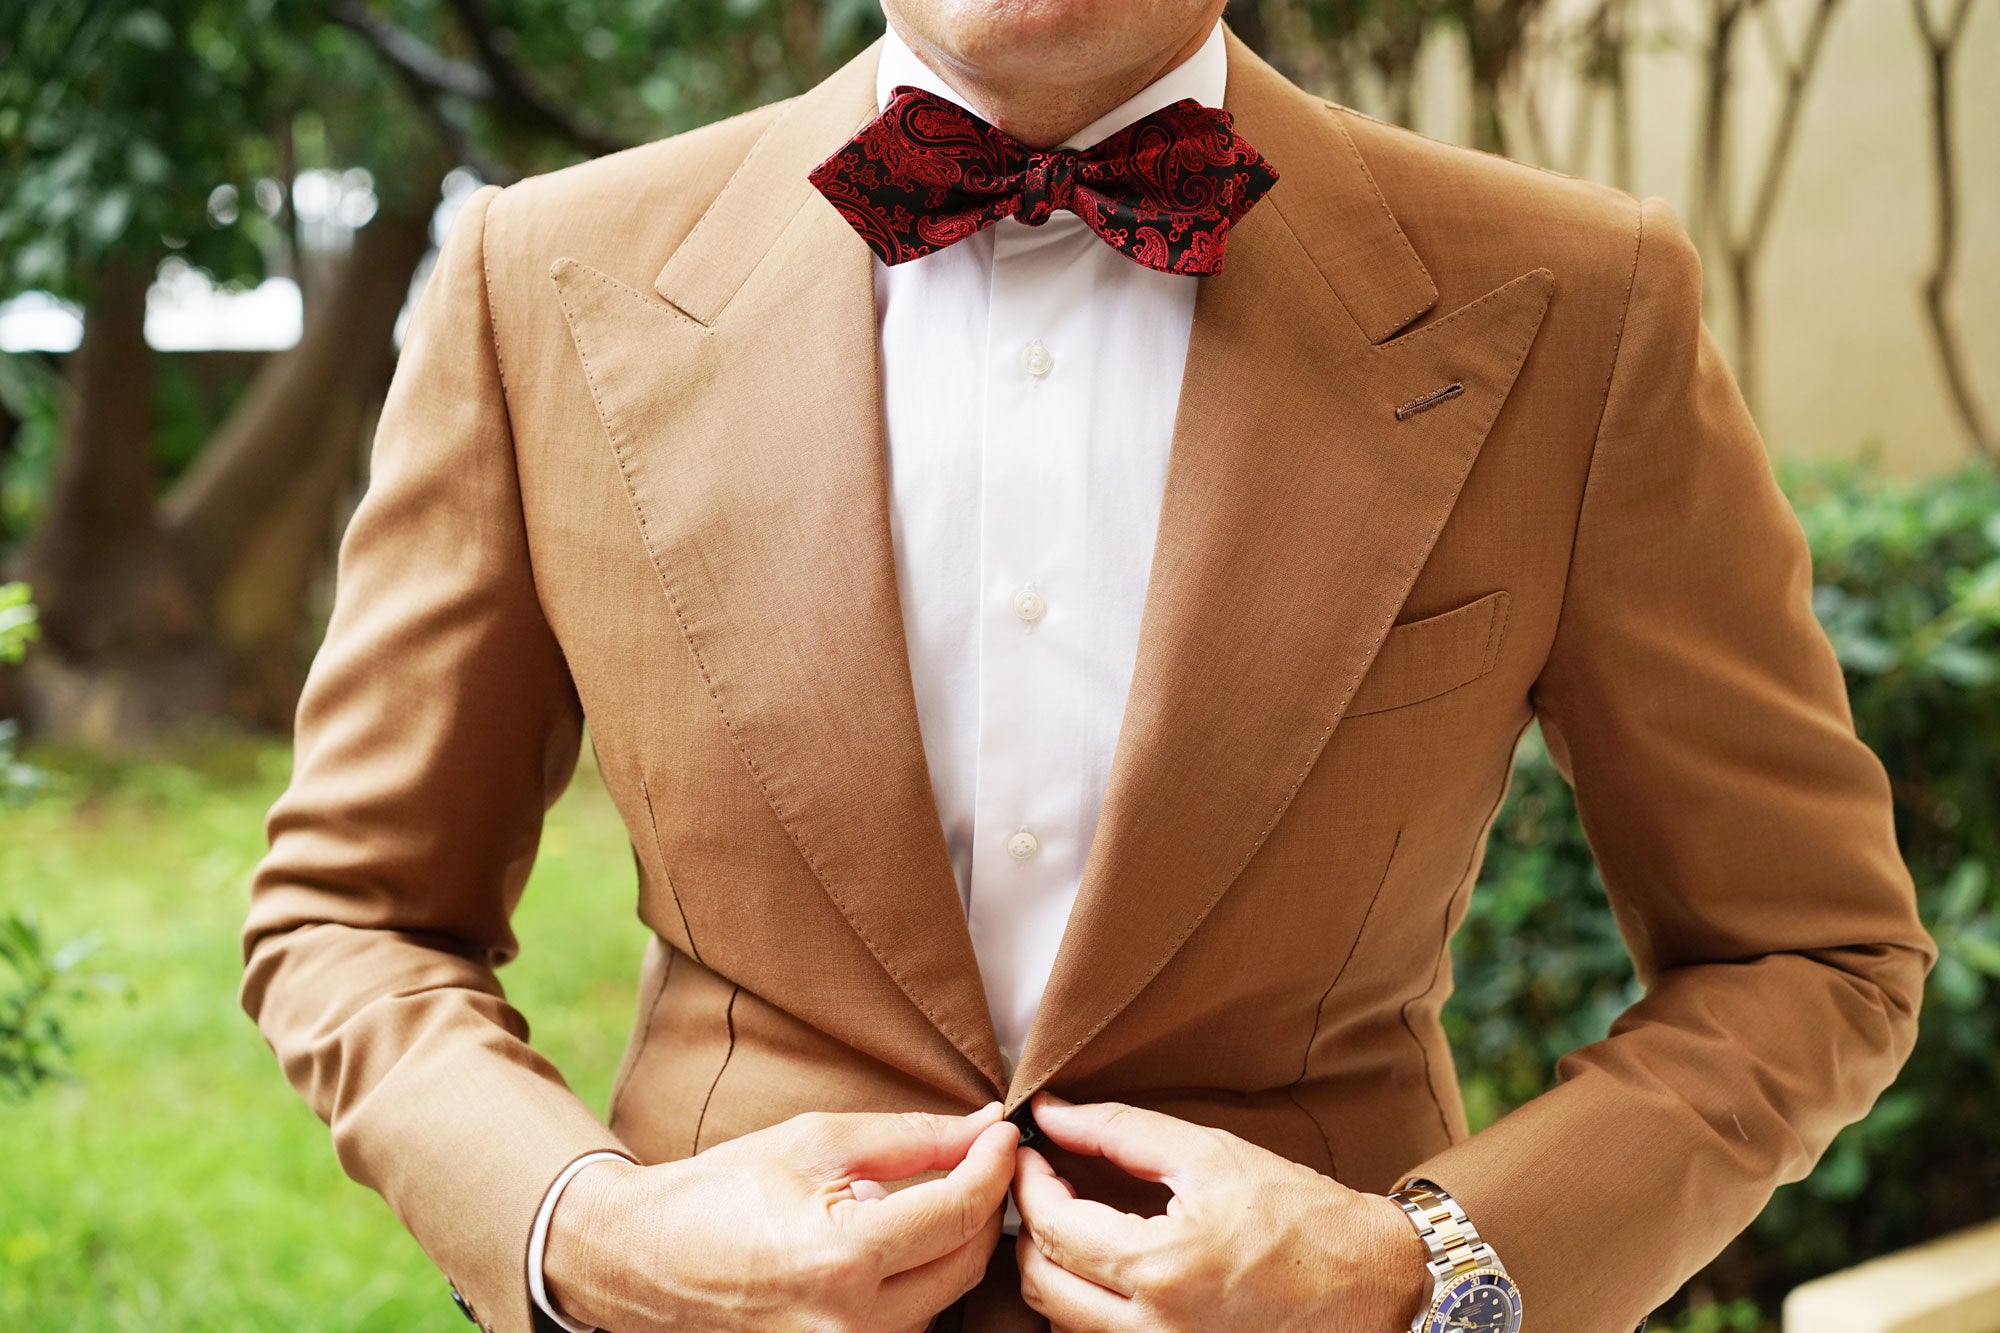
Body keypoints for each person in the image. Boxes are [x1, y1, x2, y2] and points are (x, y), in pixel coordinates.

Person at [239, 1, 1936, 1330]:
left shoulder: (1579, 299)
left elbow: (1809, 947)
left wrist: (1419, 1275)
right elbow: (353, 916)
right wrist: (592, 1240)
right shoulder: (537, 279)